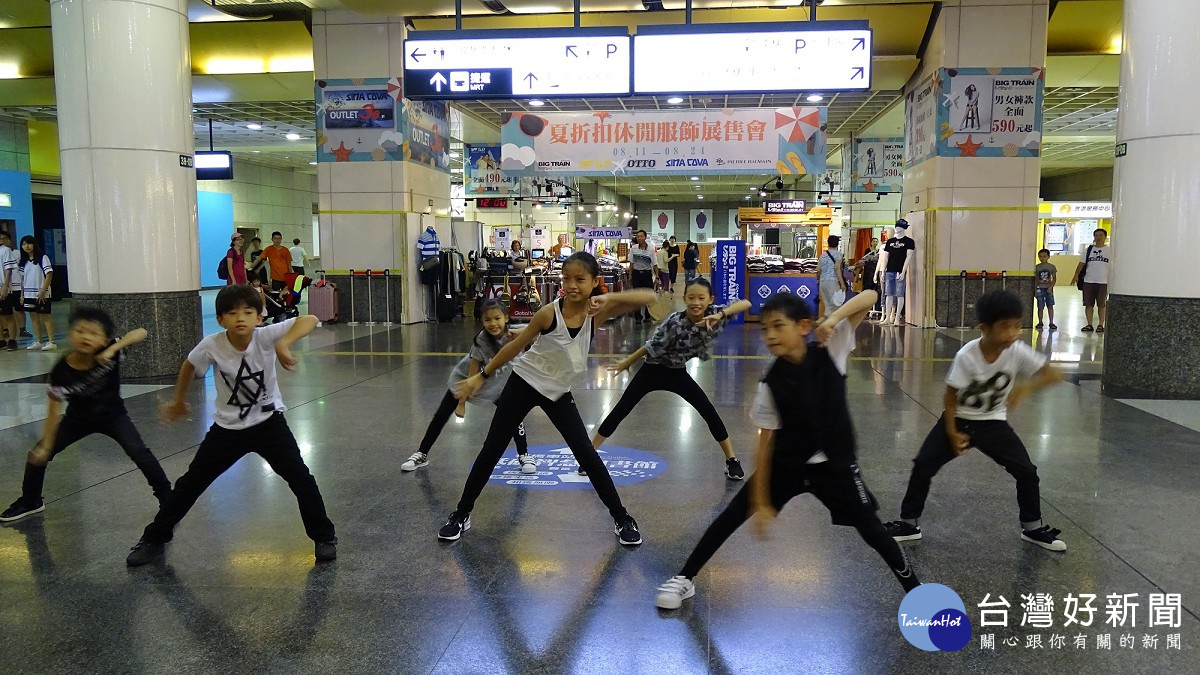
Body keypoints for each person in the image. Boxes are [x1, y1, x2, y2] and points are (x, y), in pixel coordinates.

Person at [655, 289, 920, 610]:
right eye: (766, 328)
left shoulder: (830, 349)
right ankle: (685, 578)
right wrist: (762, 499)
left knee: (873, 530)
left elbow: (870, 295)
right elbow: (764, 440)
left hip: (834, 465)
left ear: (804, 326)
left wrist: (833, 319)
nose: (771, 335)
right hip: (787, 465)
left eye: (779, 326)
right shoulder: (772, 381)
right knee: (730, 516)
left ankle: (916, 593)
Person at [439, 252, 655, 545]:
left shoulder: (596, 313)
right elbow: (516, 345)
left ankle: (622, 518)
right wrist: (481, 375)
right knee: (491, 449)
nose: (572, 285)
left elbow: (649, 297)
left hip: (558, 392)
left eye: (580, 279)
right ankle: (461, 513)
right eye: (567, 278)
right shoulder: (548, 314)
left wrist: (609, 299)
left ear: (595, 281)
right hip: (524, 383)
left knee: (586, 454)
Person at [125, 286, 337, 566]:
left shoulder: (266, 336)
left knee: (301, 479)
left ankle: (324, 536)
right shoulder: (212, 344)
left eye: (248, 312)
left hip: (269, 425)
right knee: (190, 484)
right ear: (221, 319)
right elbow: (190, 365)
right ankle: (154, 538)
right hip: (227, 431)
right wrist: (178, 401)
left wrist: (283, 344)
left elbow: (309, 319)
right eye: (232, 312)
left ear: (259, 317)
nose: (241, 318)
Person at [883, 290, 1066, 551]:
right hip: (959, 420)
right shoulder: (967, 356)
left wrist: (1025, 388)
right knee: (923, 465)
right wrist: (952, 433)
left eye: (1017, 326)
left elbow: (1053, 375)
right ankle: (909, 524)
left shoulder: (1017, 351)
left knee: (1026, 472)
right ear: (984, 328)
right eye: (1005, 327)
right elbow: (949, 397)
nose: (1013, 333)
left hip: (993, 423)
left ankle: (1033, 528)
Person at [0, 308, 172, 522]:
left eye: (93, 333)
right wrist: (46, 445)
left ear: (104, 339)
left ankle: (167, 498)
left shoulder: (112, 350)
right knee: (38, 453)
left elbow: (141, 332)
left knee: (139, 452)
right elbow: (54, 409)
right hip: (77, 420)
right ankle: (31, 500)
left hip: (113, 416)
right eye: (80, 331)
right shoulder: (62, 370)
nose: (85, 337)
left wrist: (114, 348)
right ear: (71, 334)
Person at [593, 278, 751, 480]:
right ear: (684, 298)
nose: (696, 302)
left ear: (710, 299)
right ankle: (589, 454)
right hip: (652, 369)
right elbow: (650, 346)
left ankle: (732, 460)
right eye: (691, 297)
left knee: (709, 412)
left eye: (701, 298)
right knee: (621, 409)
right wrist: (627, 362)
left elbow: (746, 304)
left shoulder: (716, 314)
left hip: (677, 372)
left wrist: (721, 314)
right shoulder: (675, 322)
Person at [402, 300, 535, 474]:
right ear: (482, 321)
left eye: (497, 318)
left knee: (513, 417)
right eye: (487, 320)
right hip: (468, 381)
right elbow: (471, 376)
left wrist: (519, 333)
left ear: (506, 317)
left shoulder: (515, 333)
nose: (493, 324)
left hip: (497, 384)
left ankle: (524, 455)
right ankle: (422, 453)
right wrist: (461, 404)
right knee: (440, 416)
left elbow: (538, 328)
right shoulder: (482, 341)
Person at [1069, 228, 1111, 333]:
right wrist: (1076, 275)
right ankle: (1089, 324)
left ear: (1105, 237)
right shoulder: (1088, 250)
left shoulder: (1110, 251)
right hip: (1088, 280)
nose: (1098, 237)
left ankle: (1101, 325)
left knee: (1101, 304)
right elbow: (1081, 263)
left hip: (1103, 281)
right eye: (1096, 235)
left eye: (1101, 235)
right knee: (1088, 304)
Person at [875, 220, 915, 326]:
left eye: (900, 226)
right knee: (888, 294)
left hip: (899, 271)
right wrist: (883, 270)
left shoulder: (909, 242)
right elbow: (885, 257)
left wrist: (903, 271)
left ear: (905, 228)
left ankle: (897, 318)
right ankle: (888, 317)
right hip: (889, 271)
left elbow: (909, 257)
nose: (898, 228)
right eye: (897, 226)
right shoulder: (890, 242)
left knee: (899, 294)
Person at [19, 235, 56, 351]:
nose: (26, 246)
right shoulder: (23, 261)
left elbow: (49, 274)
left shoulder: (42, 258)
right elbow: (22, 279)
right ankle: (39, 341)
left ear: (34, 244)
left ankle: (52, 342)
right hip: (28, 294)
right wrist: (22, 294)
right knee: (33, 317)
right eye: (24, 244)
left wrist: (43, 291)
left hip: (41, 293)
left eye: (29, 243)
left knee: (45, 317)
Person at [628, 229, 659, 323]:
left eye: (641, 236)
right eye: (637, 237)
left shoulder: (650, 249)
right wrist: (630, 276)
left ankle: (647, 315)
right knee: (636, 296)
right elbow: (631, 263)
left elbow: (655, 264)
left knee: (648, 295)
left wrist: (657, 277)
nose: (639, 238)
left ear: (645, 237)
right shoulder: (633, 248)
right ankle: (638, 317)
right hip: (636, 274)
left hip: (647, 274)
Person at [818, 235, 846, 320]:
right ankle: (833, 327)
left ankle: (822, 324)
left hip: (823, 282)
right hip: (833, 282)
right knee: (835, 306)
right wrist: (842, 283)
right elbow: (837, 268)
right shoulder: (838, 254)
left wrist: (819, 279)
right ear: (837, 244)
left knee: (827, 307)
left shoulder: (822, 255)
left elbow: (818, 269)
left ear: (828, 243)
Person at [0, 229, 19, 351]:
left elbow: (8, 270)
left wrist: (5, 287)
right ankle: (1, 340)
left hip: (3, 287)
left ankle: (12, 340)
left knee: (8, 315)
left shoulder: (5, 250)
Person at [1034, 248, 1057, 331]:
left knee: (1050, 305)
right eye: (1040, 256)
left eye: (1044, 256)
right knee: (1040, 306)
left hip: (1048, 289)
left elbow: (1054, 278)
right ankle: (1040, 322)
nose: (1042, 258)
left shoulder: (1052, 267)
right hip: (1040, 288)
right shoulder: (1036, 267)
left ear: (1048, 257)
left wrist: (1051, 287)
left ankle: (1051, 322)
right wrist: (1035, 290)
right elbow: (1035, 279)